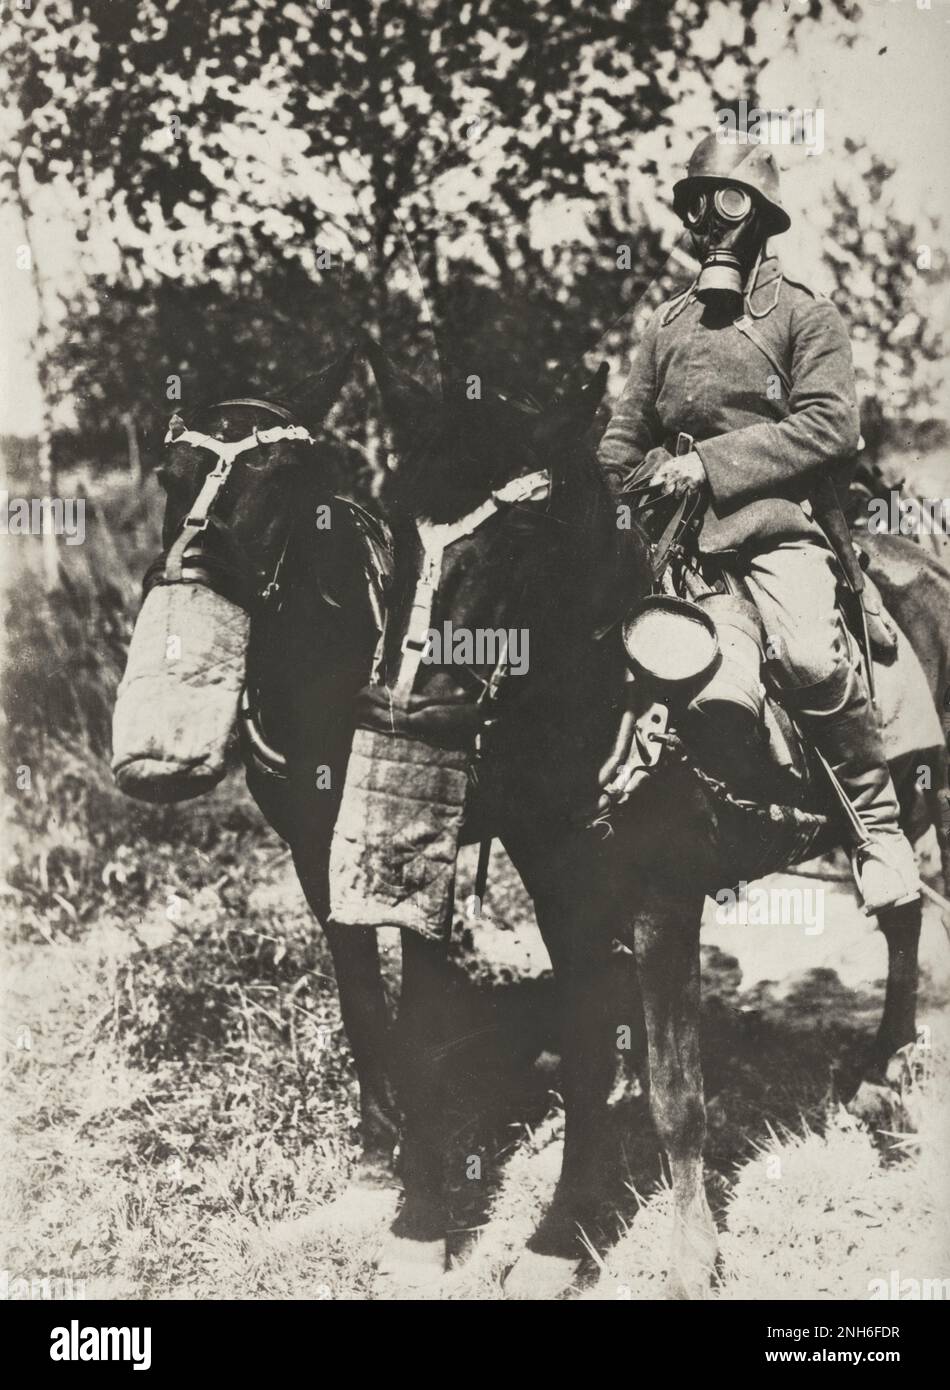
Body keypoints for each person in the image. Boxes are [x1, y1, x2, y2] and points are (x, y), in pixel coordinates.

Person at [597, 132, 920, 915]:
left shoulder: (807, 317)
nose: (708, 225)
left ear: (761, 219)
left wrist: (708, 464)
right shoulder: (669, 326)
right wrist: (619, 486)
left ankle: (877, 831)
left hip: (774, 532)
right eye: (695, 208)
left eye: (726, 205)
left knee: (809, 656)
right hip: (670, 541)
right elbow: (620, 438)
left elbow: (830, 427)